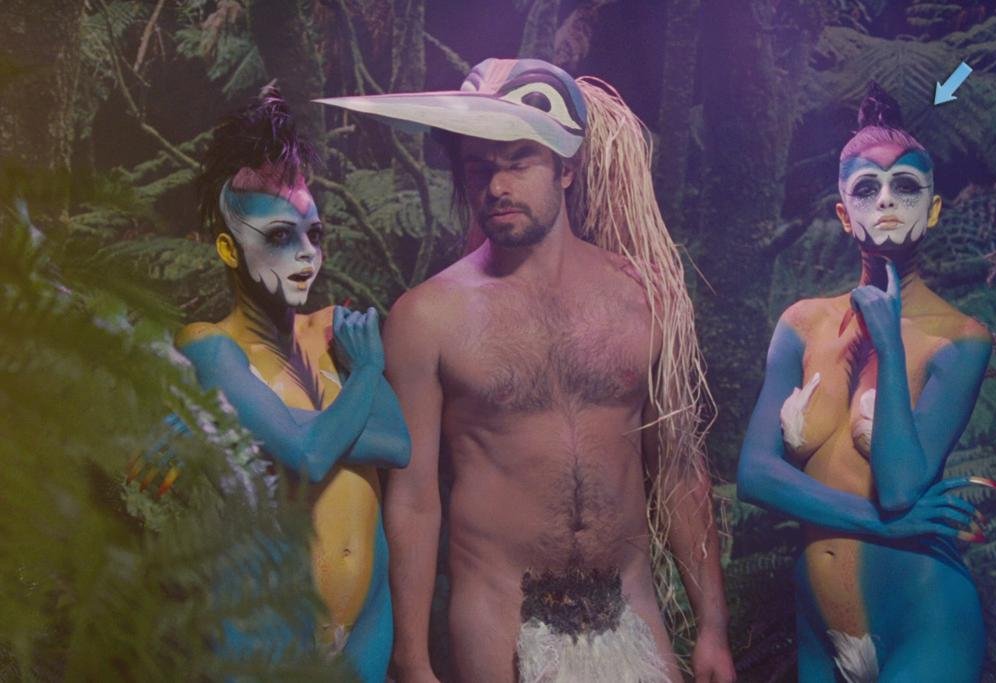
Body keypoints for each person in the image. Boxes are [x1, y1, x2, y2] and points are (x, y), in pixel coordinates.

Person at [319, 58, 736, 682]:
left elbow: (677, 467)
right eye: (479, 169)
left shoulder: (643, 296)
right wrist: (412, 657)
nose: (496, 186)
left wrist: (712, 629)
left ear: (566, 168)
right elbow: (414, 497)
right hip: (500, 619)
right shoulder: (427, 317)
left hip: (631, 609)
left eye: (518, 161)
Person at [736, 83, 996, 682]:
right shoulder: (802, 324)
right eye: (866, 188)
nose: (886, 201)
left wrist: (888, 340)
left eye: (905, 186)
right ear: (842, 213)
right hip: (818, 624)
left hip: (924, 616)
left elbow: (902, 488)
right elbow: (754, 474)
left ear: (933, 208)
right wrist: (879, 523)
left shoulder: (960, 340)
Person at [176, 87, 411, 682]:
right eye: (280, 237)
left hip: (365, 626)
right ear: (230, 248)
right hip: (262, 630)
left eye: (314, 234)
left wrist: (273, 428)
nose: (306, 254)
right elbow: (309, 456)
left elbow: (397, 443)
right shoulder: (209, 345)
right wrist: (367, 373)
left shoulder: (332, 332)